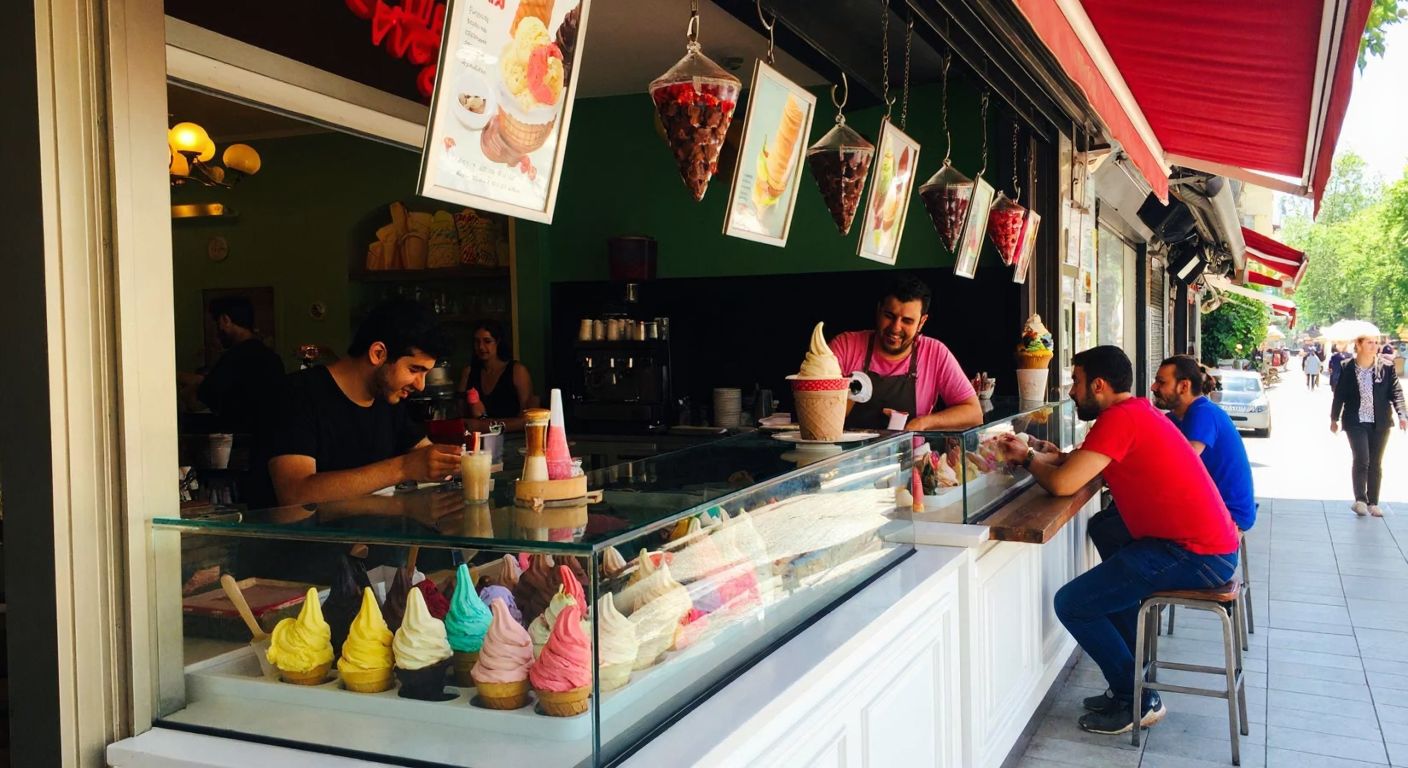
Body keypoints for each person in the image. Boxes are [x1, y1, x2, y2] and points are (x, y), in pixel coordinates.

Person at [994, 346, 1238, 735]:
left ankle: (1138, 699)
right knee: (1114, 584)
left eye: (1076, 382)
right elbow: (1082, 462)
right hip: (1202, 546)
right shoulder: (1135, 412)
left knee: (1072, 603)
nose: (1072, 391)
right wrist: (1047, 453)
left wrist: (1027, 460)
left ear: (1099, 385)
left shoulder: (1119, 419)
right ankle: (1131, 689)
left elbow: (1063, 484)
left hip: (1197, 554)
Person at [267, 298, 463, 506]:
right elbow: (295, 494)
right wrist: (403, 468)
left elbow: (425, 453)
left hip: (371, 537)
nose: (421, 385)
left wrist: (460, 462)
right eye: (414, 370)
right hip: (304, 539)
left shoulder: (388, 398)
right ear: (378, 353)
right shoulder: (297, 394)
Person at [828, 275, 982, 430]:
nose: (895, 328)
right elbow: (814, 406)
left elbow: (974, 414)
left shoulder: (935, 353)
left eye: (907, 321)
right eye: (889, 316)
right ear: (878, 310)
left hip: (910, 453)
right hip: (848, 453)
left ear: (922, 322)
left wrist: (923, 423)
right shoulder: (845, 346)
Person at [182, 296, 286, 436]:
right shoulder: (272, 358)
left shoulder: (234, 358)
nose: (217, 331)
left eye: (216, 322)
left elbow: (202, 397)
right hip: (269, 441)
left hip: (238, 444)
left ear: (225, 320)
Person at [1331, 334, 1408, 517]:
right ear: (1359, 344)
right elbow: (1340, 394)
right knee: (1362, 458)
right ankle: (1360, 500)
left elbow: (1396, 392)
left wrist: (1402, 415)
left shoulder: (1386, 367)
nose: (1374, 346)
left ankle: (1373, 502)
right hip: (1355, 420)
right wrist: (1334, 418)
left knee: (1375, 462)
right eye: (1369, 343)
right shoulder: (1347, 366)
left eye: (1376, 343)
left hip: (1380, 422)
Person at [457, 318, 539, 432]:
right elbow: (461, 417)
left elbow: (527, 421)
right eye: (477, 342)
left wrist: (484, 426)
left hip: (513, 440)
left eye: (487, 341)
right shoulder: (469, 372)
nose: (481, 347)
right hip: (478, 442)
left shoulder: (517, 371)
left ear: (498, 342)